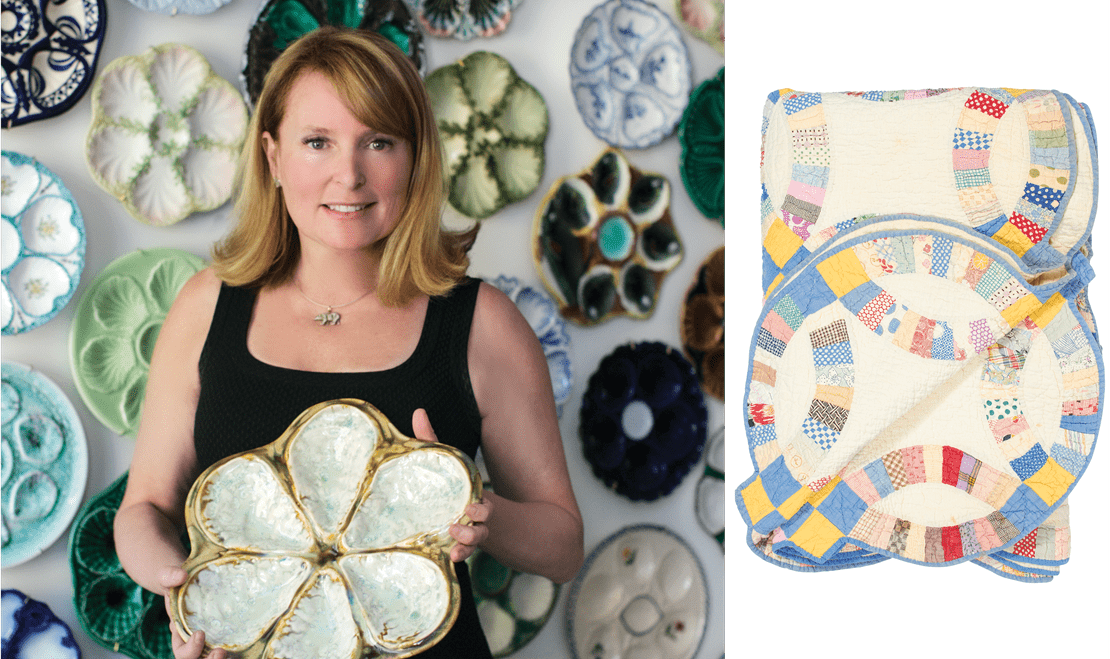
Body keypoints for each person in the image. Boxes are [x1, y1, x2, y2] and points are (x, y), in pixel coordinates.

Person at [114, 26, 583, 659]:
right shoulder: (206, 307)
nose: (349, 174)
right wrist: (183, 588)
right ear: (273, 157)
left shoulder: (482, 324)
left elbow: (562, 546)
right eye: (317, 142)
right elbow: (143, 509)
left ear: (413, 160)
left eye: (378, 142)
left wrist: (484, 512)